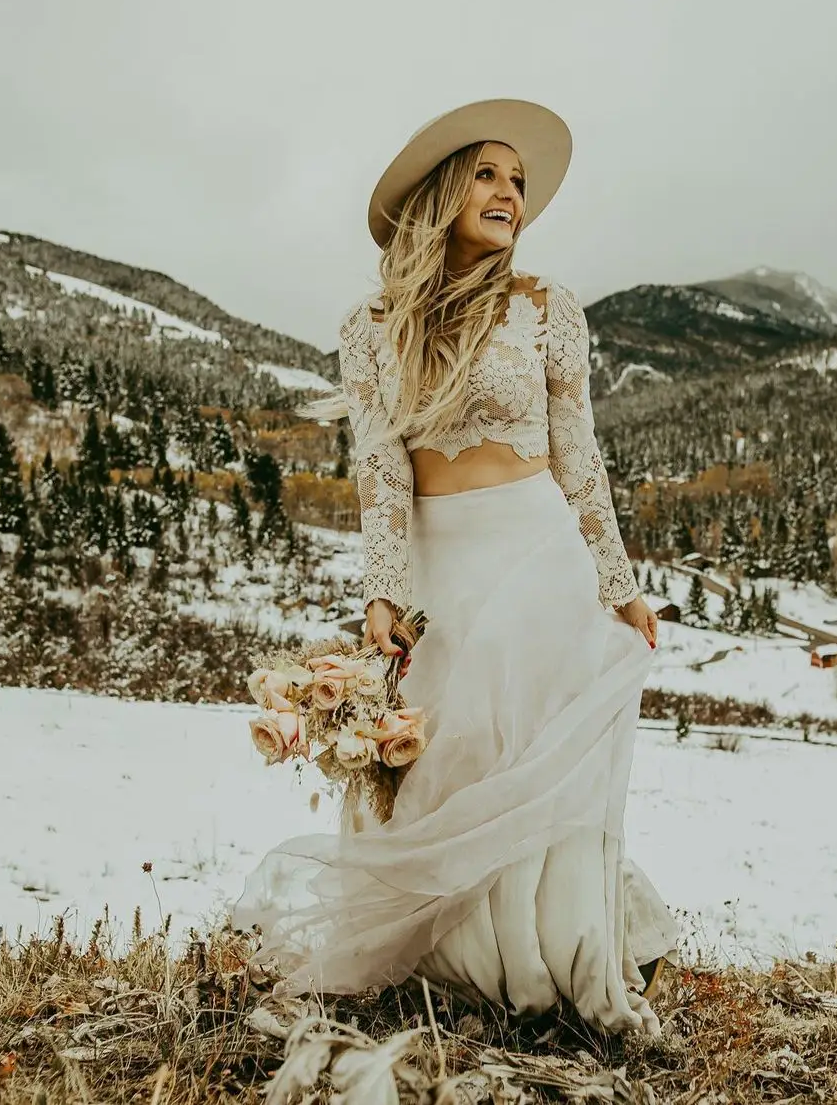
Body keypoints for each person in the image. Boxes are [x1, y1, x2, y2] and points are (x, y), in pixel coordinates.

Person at [230, 98, 679, 1036]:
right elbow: (380, 469)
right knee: (449, 760)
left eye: (518, 180)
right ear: (441, 192)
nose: (510, 192)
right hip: (440, 564)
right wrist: (384, 589)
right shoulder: (372, 324)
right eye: (488, 173)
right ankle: (450, 966)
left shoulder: (549, 310)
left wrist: (622, 586)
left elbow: (579, 456)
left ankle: (546, 960)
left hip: (537, 549)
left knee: (531, 755)